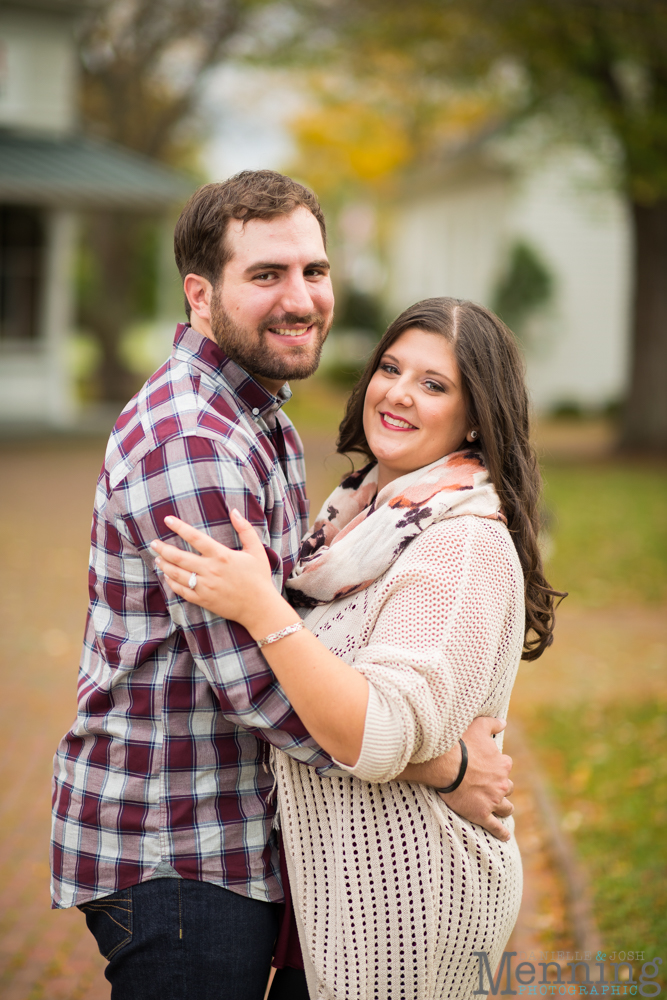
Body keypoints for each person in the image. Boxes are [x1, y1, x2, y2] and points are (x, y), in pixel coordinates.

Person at [50, 174, 514, 1000]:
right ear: (201, 296)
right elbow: (261, 687)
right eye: (267, 275)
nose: (300, 298)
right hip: (179, 845)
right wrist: (444, 768)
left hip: (235, 837)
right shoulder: (193, 441)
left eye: (314, 271)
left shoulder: (262, 420)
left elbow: (300, 618)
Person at [152, 296, 563, 999]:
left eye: (433, 384)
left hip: (405, 906)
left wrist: (260, 608)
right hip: (337, 901)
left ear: (474, 417)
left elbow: (375, 731)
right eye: (390, 368)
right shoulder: (363, 519)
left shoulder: (459, 543)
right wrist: (446, 764)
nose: (397, 393)